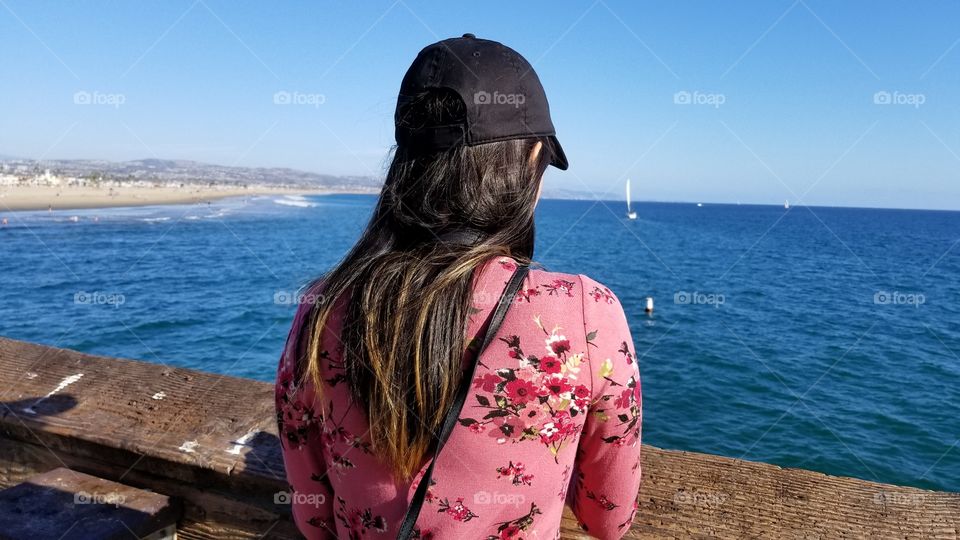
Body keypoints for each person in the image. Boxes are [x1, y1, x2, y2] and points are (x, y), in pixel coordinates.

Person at [276, 34, 641, 539]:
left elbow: (313, 518)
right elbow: (608, 517)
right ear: (531, 162)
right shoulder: (584, 311)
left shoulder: (322, 308)